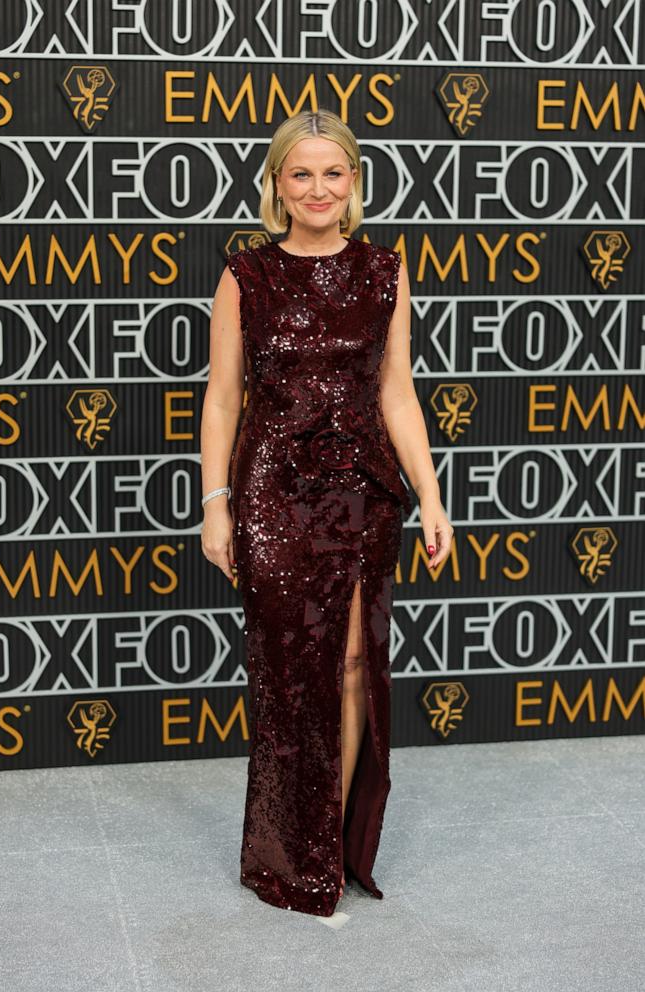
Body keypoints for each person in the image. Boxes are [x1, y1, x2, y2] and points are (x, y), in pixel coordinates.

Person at [200, 108, 453, 918]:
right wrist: (216, 506)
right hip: (272, 491)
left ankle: (324, 849)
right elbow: (221, 397)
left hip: (360, 495)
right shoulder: (246, 274)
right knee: (287, 678)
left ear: (353, 184)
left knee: (348, 672)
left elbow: (397, 391)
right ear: (278, 184)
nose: (317, 188)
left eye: (332, 172)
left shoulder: (384, 271)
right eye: (300, 173)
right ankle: (288, 850)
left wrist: (432, 494)